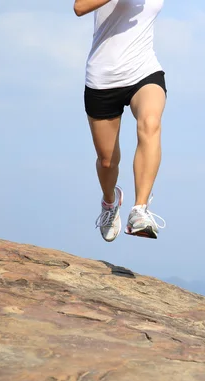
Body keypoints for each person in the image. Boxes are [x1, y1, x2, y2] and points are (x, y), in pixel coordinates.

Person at [73, 0, 167, 242]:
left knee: (150, 122)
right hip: (102, 80)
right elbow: (79, 7)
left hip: (144, 72)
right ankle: (109, 201)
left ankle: (140, 211)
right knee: (107, 162)